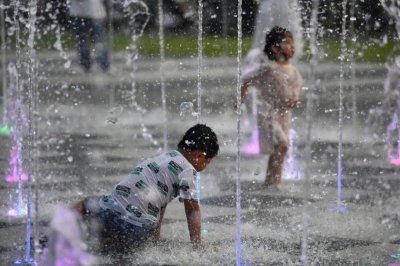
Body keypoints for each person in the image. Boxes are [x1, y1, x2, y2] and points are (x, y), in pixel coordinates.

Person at [73, 124, 219, 251]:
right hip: (139, 230)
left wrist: (157, 236)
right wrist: (197, 244)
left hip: (110, 211)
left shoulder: (165, 157)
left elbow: (161, 201)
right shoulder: (187, 170)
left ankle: (60, 227)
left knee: (86, 204)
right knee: (129, 242)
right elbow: (192, 208)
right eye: (207, 162)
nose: (205, 167)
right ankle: (109, 245)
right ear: (200, 155)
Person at [240, 26, 302, 189]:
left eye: (292, 43)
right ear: (275, 48)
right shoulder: (267, 69)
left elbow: (295, 87)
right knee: (283, 144)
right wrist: (240, 99)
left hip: (284, 115)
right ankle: (273, 180)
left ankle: (272, 180)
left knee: (279, 148)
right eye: (288, 43)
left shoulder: (293, 70)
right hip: (267, 113)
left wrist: (295, 97)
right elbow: (246, 79)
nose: (292, 47)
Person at [69, 0, 110, 72]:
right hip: (80, 13)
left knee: (98, 42)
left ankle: (104, 65)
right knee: (81, 42)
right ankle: (86, 65)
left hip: (93, 12)